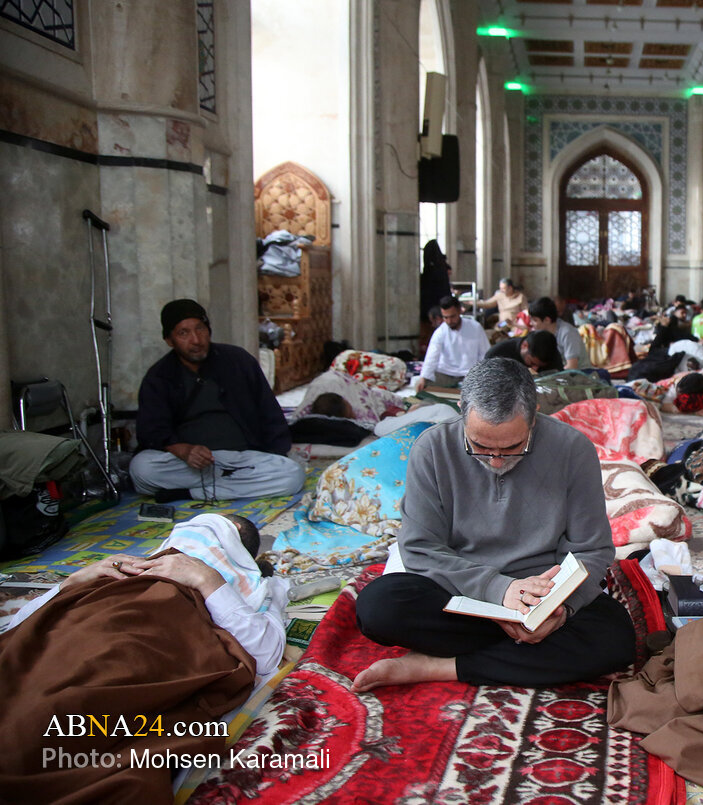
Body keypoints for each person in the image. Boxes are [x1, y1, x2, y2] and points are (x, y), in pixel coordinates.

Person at [351, 358, 635, 690]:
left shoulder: (573, 450)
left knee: (615, 638)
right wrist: (498, 591)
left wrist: (560, 611)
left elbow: (592, 549)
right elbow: (420, 548)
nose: (496, 461)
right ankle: (518, 658)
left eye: (515, 447)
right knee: (378, 607)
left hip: (541, 599)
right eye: (481, 447)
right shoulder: (432, 449)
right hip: (462, 594)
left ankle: (438, 666)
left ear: (534, 415)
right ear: (460, 410)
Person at [0, 513, 287, 802]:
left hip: (138, 645)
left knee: (54, 711)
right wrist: (73, 583)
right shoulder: (122, 567)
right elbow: (21, 629)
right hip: (84, 624)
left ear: (232, 530)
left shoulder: (247, 584)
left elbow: (266, 654)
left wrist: (207, 579)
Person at [129, 299, 305, 502]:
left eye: (200, 329)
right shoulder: (159, 377)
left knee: (292, 475)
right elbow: (152, 431)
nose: (196, 339)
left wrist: (274, 454)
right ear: (169, 340)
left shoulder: (238, 361)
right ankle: (226, 486)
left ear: (209, 329)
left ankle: (191, 493)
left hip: (241, 460)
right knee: (141, 470)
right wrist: (184, 450)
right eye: (183, 333)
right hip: (189, 464)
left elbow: (269, 413)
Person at [415, 296, 490, 390]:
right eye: (445, 318)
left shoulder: (475, 328)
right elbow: (431, 357)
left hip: (469, 375)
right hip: (446, 374)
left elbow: (485, 354)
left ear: (460, 311)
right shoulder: (440, 332)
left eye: (452, 317)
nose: (449, 321)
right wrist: (423, 378)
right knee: (420, 384)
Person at [528, 296, 587, 370]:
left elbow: (572, 367)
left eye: (535, 320)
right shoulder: (541, 334)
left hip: (580, 375)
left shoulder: (567, 333)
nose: (531, 323)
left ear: (547, 320)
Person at [485, 330, 563, 374]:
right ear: (524, 346)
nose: (535, 369)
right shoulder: (496, 355)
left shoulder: (552, 354)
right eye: (532, 363)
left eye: (540, 366)